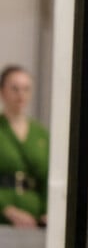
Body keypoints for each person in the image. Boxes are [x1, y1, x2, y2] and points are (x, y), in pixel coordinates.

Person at [0, 65, 49, 227]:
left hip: (35, 221)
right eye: (15, 89)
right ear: (2, 91)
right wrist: (6, 209)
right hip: (3, 217)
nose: (21, 95)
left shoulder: (40, 134)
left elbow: (48, 177)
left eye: (26, 89)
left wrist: (48, 212)